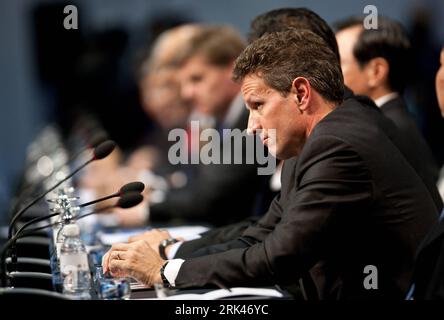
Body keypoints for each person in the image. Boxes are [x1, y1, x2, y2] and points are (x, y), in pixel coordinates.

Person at [102, 29, 438, 299]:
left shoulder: (338, 145)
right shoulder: (311, 141)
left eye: (258, 105)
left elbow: (279, 256)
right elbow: (260, 234)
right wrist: (168, 251)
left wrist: (162, 271)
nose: (250, 126)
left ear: (301, 94)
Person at [335, 16, 442, 210]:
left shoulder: (382, 131)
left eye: (338, 64)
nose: (329, 75)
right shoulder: (394, 123)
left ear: (376, 71)